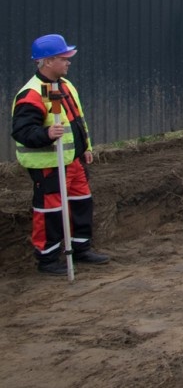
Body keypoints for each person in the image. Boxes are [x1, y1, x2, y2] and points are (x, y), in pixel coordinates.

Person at [11, 34, 111, 275]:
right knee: (50, 211)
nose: (69, 62)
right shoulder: (31, 94)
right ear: (48, 61)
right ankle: (48, 259)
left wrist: (85, 148)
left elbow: (77, 120)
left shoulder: (65, 86)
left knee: (81, 202)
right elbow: (22, 131)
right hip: (48, 164)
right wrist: (46, 134)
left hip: (73, 161)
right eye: (64, 58)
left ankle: (81, 248)